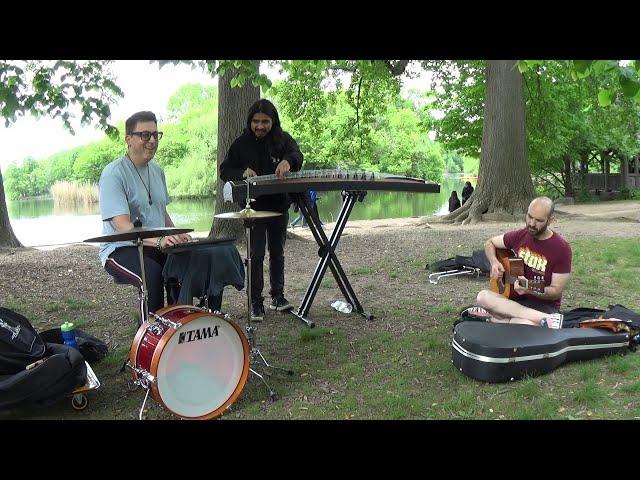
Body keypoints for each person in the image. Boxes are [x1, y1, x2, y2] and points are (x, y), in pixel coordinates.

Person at [98, 111, 192, 324]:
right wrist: (159, 241)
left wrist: (178, 235)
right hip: (120, 248)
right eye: (145, 135)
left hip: (155, 245)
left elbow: (162, 212)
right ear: (128, 139)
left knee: (186, 264)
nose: (152, 140)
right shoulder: (114, 174)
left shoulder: (157, 171)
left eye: (156, 134)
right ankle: (150, 343)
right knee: (152, 275)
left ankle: (180, 330)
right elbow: (122, 226)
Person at [220, 99, 304, 321]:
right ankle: (255, 303)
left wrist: (287, 161)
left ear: (272, 121)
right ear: (250, 122)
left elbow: (297, 155)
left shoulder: (283, 139)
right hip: (253, 210)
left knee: (277, 253)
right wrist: (241, 172)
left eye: (265, 122)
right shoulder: (240, 144)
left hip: (278, 207)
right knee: (256, 256)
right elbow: (224, 170)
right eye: (256, 121)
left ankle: (278, 297)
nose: (260, 126)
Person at [470, 196, 572, 329]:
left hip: (543, 307)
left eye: (539, 220)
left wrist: (530, 288)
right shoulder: (521, 236)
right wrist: (494, 262)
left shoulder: (561, 249)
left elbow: (555, 291)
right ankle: (542, 321)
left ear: (550, 220)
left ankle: (497, 319)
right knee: (482, 297)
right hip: (514, 302)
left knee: (525, 324)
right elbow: (489, 243)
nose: (531, 223)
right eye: (529, 216)